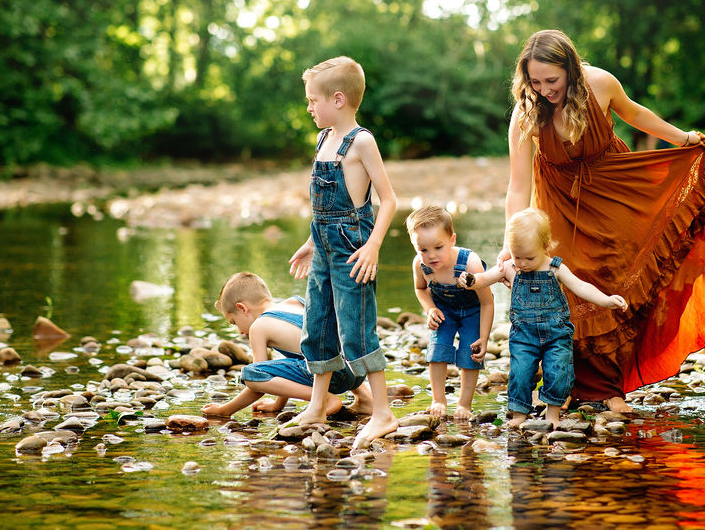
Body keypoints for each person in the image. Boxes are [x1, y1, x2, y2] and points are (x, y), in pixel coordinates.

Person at [503, 29, 705, 413]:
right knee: (573, 286)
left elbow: (636, 114)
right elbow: (516, 186)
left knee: (618, 275)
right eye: (535, 81)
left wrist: (683, 139)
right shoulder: (526, 113)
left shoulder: (600, 83)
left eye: (552, 80)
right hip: (559, 202)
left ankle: (610, 387)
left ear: (571, 69)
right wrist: (513, 246)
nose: (544, 90)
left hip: (613, 188)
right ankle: (572, 385)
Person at [287, 55, 399, 447]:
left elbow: (388, 201)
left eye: (312, 100)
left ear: (338, 99)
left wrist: (373, 246)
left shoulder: (361, 141)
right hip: (323, 245)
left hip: (354, 247)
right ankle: (318, 404)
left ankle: (383, 412)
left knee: (357, 326)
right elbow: (322, 208)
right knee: (317, 323)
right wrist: (309, 241)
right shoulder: (323, 139)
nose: (308, 108)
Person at [461, 208, 627, 428]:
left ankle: (553, 413)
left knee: (558, 370)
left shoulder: (555, 268)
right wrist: (471, 280)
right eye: (517, 256)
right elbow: (485, 278)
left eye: (529, 258)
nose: (522, 263)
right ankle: (519, 414)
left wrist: (606, 300)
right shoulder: (511, 268)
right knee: (520, 373)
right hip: (524, 336)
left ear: (546, 247)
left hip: (556, 334)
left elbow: (581, 286)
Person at [201, 272, 373, 419]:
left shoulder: (258, 327)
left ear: (242, 308)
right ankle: (366, 399)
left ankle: (323, 400)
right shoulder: (296, 303)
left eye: (234, 322)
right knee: (322, 348)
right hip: (356, 368)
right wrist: (278, 404)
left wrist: (224, 410)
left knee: (250, 373)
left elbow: (257, 382)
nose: (239, 331)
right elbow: (283, 369)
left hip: (333, 375)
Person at [406, 205, 494, 421]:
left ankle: (464, 404)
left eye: (438, 247)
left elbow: (487, 303)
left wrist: (484, 337)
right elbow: (420, 289)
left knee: (469, 353)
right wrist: (430, 309)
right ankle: (438, 399)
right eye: (423, 250)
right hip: (444, 310)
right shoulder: (421, 265)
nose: (431, 256)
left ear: (452, 240)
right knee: (438, 348)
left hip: (473, 310)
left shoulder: (470, 263)